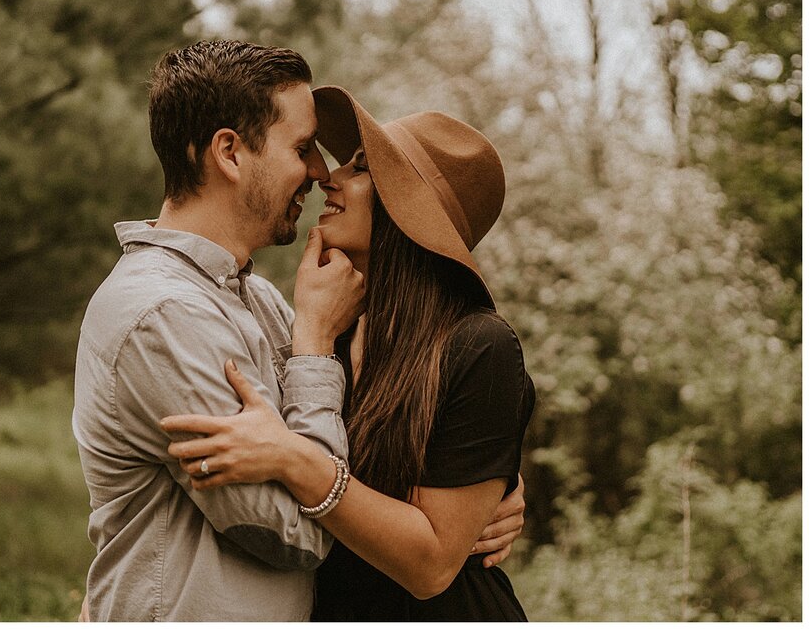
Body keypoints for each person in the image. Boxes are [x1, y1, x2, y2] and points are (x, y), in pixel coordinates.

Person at [74, 41, 524, 622]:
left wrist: (489, 489)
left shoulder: (260, 301)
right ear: (230, 154)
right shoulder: (166, 315)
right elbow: (296, 535)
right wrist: (311, 342)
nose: (322, 173)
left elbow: (403, 474)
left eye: (355, 164)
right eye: (304, 148)